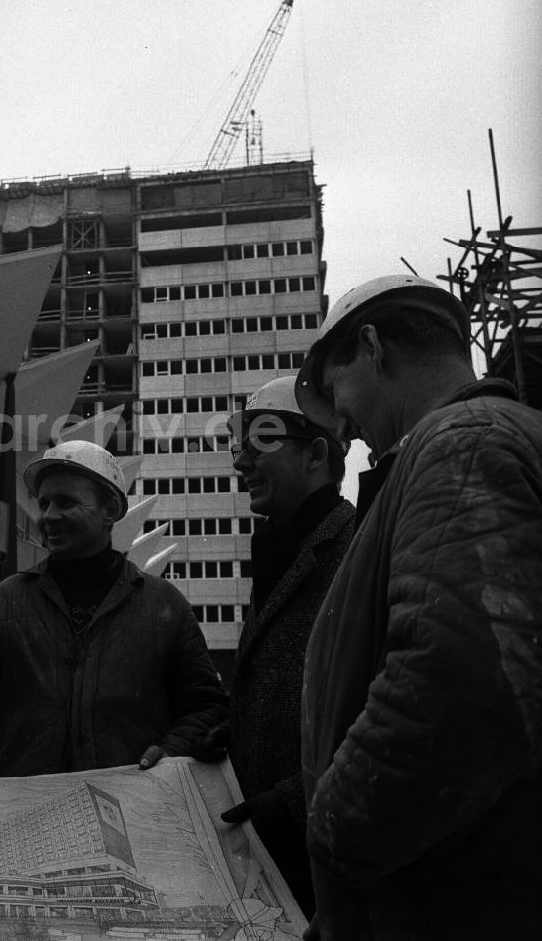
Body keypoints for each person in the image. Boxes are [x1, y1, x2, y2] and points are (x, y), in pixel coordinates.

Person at [294, 275, 542, 939]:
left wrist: (334, 835)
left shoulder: (462, 445)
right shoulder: (473, 443)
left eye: (335, 389)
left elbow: (463, 679)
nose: (342, 423)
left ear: (371, 346)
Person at [0, 440, 228, 785]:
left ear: (110, 510)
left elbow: (204, 707)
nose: (48, 516)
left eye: (66, 502)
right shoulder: (4, 602)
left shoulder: (165, 605)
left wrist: (172, 750)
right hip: (26, 815)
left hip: (131, 813)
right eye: (44, 503)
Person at [195, 376, 353, 918]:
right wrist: (239, 733)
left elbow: (386, 713)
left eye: (258, 444)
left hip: (326, 864)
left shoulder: (355, 553)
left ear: (314, 455)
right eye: (237, 446)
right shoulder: (280, 549)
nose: (239, 463)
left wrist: (293, 805)